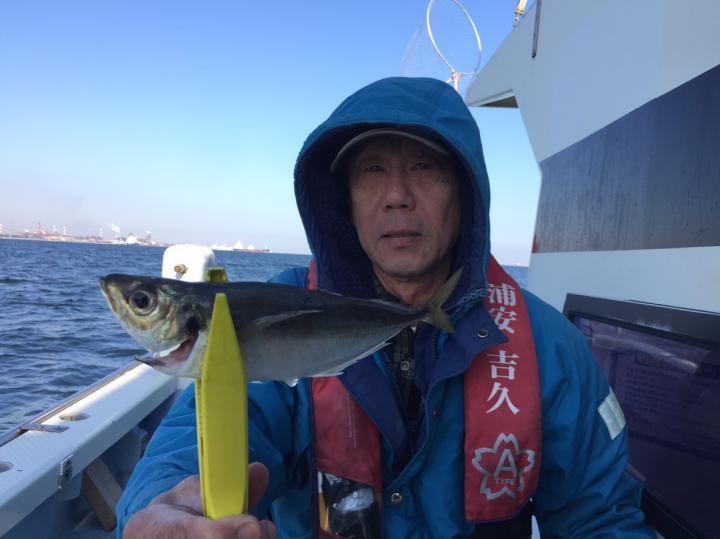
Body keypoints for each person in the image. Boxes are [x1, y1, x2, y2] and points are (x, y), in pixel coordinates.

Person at [117, 77, 652, 538]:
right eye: (372, 169)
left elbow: (599, 516)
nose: (397, 195)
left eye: (424, 166)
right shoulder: (268, 313)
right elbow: (194, 440)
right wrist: (162, 505)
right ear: (345, 201)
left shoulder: (550, 349)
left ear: (464, 193)